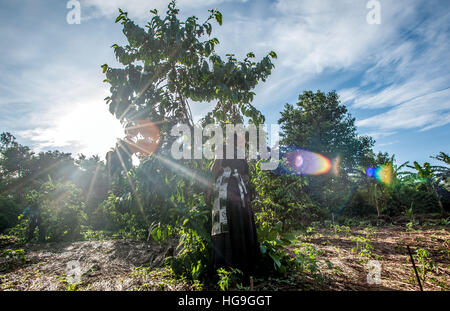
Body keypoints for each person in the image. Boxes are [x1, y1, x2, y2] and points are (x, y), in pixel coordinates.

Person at [206, 136, 259, 276]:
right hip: (240, 192)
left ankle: (226, 267)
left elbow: (215, 169)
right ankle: (245, 265)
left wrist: (210, 190)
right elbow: (246, 176)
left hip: (227, 190)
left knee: (226, 224)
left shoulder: (223, 148)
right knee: (241, 223)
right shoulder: (241, 153)